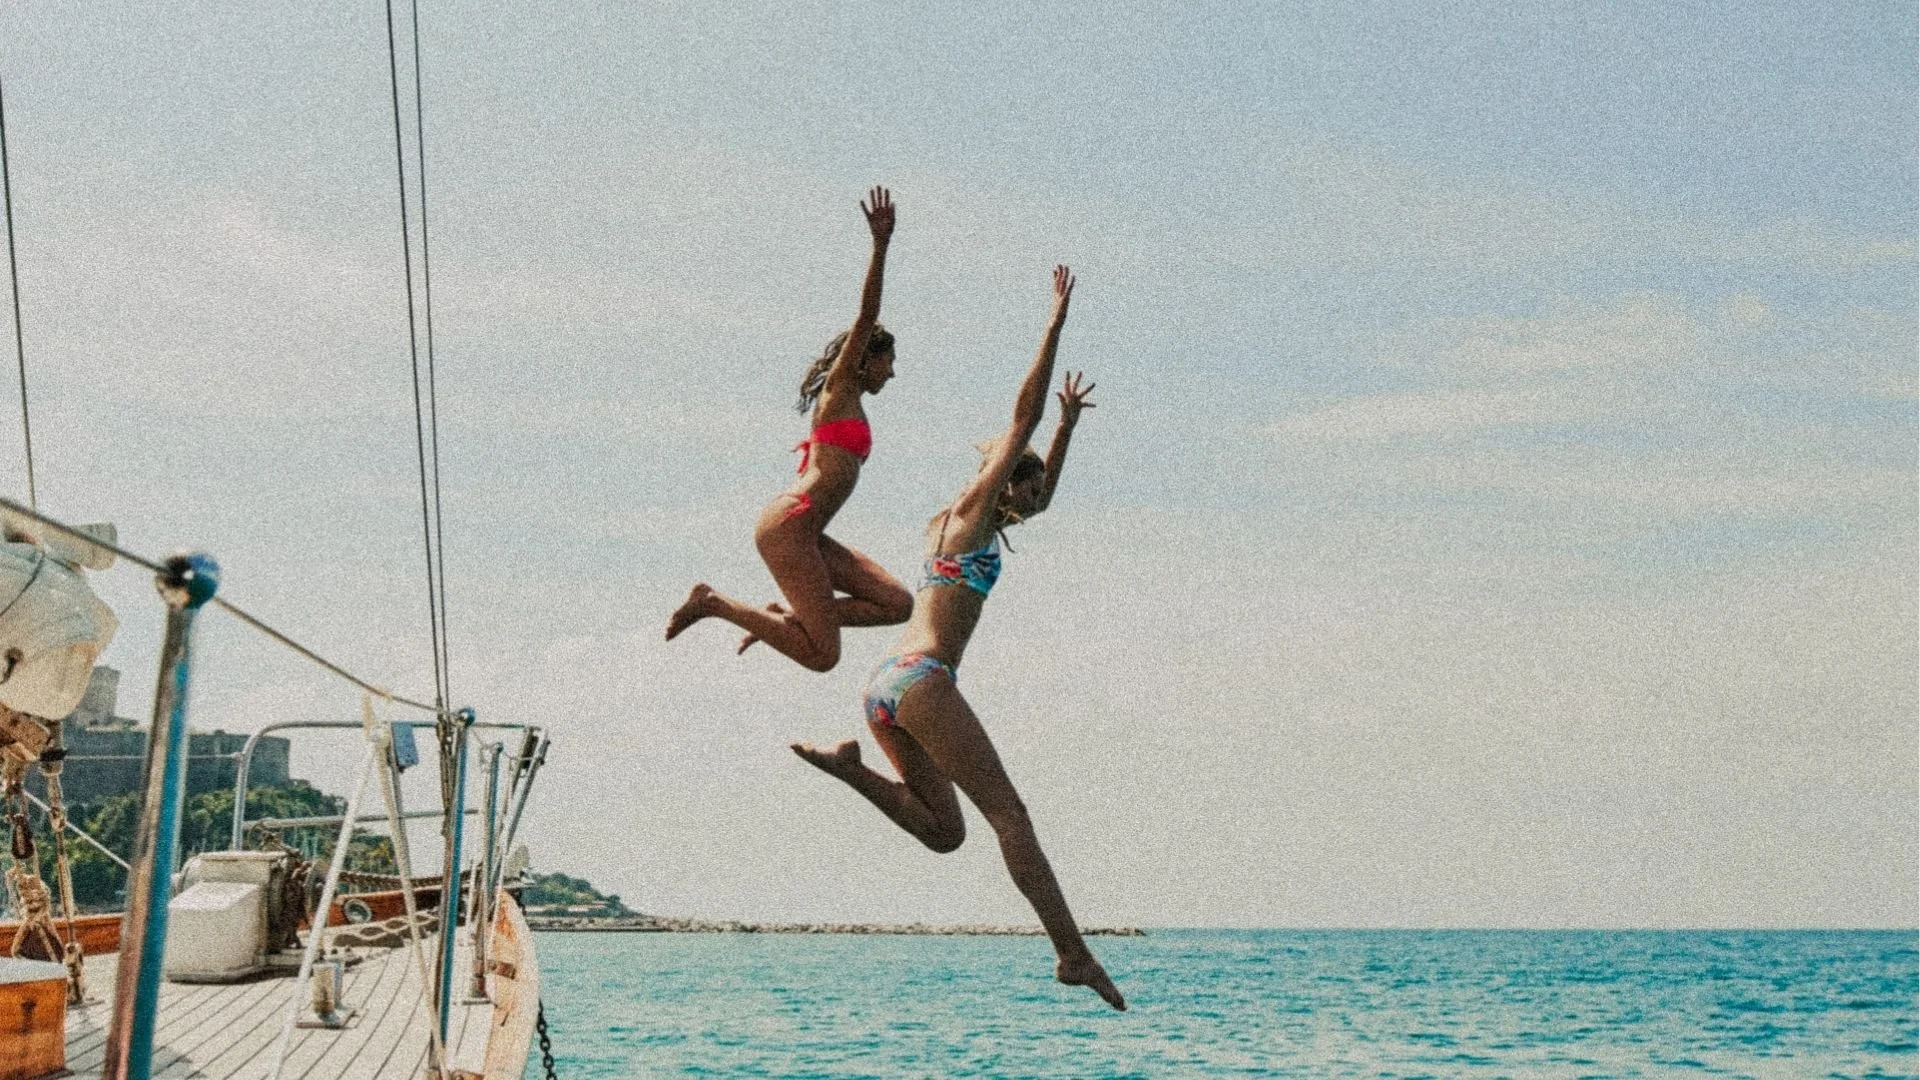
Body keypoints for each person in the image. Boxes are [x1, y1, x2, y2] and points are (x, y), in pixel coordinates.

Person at [793, 266, 1124, 1011]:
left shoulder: (956, 526)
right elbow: (1022, 418)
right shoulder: (974, 512)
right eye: (1028, 491)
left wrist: (1069, 431)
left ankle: (849, 768)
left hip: (885, 687)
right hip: (923, 678)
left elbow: (1041, 483)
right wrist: (1054, 325)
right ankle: (1071, 953)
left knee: (947, 834)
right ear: (1008, 483)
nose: (1034, 507)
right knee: (1010, 817)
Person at [666, 187, 912, 672]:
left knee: (897, 603)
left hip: (809, 531)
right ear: (865, 360)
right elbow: (865, 316)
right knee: (823, 655)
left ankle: (782, 618)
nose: (892, 373)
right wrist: (881, 247)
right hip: (790, 528)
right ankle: (713, 602)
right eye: (888, 362)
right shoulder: (840, 389)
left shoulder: (854, 402)